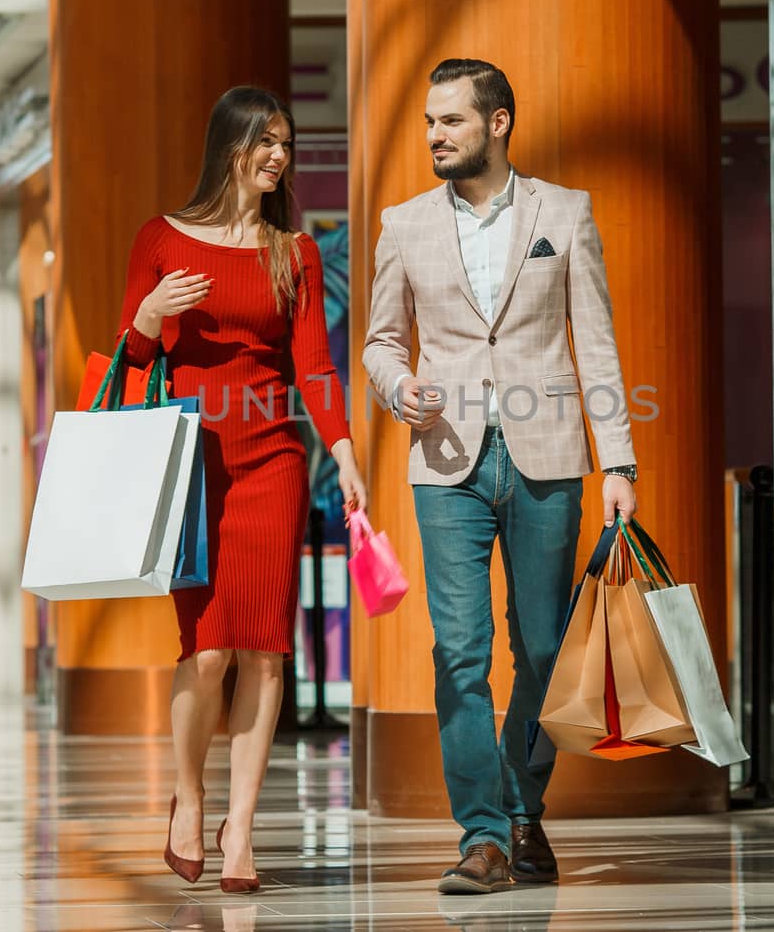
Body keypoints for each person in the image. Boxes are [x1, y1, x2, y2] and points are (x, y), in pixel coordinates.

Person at [362, 59, 640, 894]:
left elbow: (595, 338)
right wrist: (396, 383)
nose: (434, 135)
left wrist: (619, 459)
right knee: (459, 649)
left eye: (450, 120)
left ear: (499, 122)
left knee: (546, 647)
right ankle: (483, 835)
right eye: (428, 121)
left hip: (550, 452)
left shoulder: (566, 212)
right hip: (444, 459)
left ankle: (525, 808)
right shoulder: (403, 224)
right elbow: (380, 340)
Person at [117, 85, 366, 895]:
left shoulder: (292, 251)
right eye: (267, 142)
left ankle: (241, 832)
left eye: (286, 145)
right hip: (193, 465)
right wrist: (151, 312)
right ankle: (189, 797)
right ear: (229, 145)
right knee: (209, 648)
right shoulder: (160, 238)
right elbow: (129, 355)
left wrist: (345, 451)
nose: (279, 158)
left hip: (272, 463)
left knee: (265, 654)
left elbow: (316, 368)